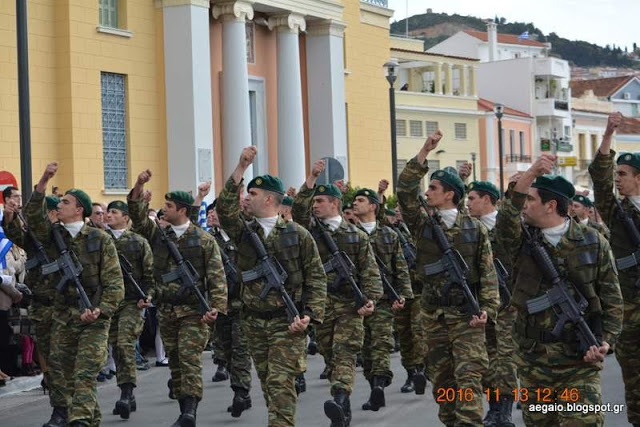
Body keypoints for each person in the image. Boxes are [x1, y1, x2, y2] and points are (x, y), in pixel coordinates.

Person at [497, 154, 623, 425]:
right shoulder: (520, 240)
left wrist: (604, 342)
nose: (525, 206)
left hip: (580, 362)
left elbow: (613, 300)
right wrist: (530, 173)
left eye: (531, 199)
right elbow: (507, 218)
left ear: (550, 205)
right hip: (533, 362)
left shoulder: (592, 242)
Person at [217, 146, 326, 427]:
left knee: (280, 384)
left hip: (286, 324)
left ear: (268, 199)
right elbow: (225, 209)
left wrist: (309, 316)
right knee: (268, 383)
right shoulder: (244, 232)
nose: (246, 198)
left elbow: (316, 277)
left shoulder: (297, 234)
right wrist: (240, 167)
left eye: (252, 194)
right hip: (253, 322)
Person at [397, 131, 499, 426]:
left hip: (467, 319)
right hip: (434, 318)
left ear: (449, 194)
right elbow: (405, 191)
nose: (427, 192)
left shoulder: (475, 229)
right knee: (443, 386)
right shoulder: (421, 224)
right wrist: (424, 152)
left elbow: (489, 275)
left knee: (468, 382)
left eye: (433, 188)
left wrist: (487, 311)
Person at [24, 162, 125, 427]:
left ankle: (78, 421)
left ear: (79, 208)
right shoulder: (52, 235)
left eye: (65, 202)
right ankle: (89, 420)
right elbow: (33, 216)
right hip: (63, 316)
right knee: (62, 374)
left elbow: (115, 283)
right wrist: (44, 181)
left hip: (93, 317)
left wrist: (100, 310)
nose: (59, 205)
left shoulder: (99, 239)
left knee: (84, 373)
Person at [128, 169, 227, 427]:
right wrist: (139, 185)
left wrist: (215, 307)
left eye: (168, 206)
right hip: (167, 310)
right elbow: (138, 218)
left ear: (182, 210)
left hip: (194, 311)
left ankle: (189, 412)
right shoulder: (159, 235)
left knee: (189, 359)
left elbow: (217, 277)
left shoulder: (204, 240)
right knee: (176, 364)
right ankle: (184, 406)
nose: (164, 209)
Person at [292, 159, 382, 427]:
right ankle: (344, 409)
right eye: (314, 201)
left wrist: (371, 300)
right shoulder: (310, 231)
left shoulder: (355, 236)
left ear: (334, 203)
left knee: (345, 354)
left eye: (320, 201)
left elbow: (370, 272)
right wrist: (311, 179)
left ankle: (340, 399)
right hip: (321, 306)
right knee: (331, 356)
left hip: (348, 306)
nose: (315, 205)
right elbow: (298, 210)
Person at [589, 112, 640, 426]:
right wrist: (608, 133)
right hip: (631, 309)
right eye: (616, 172)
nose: (617, 178)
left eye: (623, 173)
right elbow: (599, 179)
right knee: (633, 378)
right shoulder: (616, 212)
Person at [352, 188, 413, 411]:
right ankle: (374, 384)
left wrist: (403, 294)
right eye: (354, 200)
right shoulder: (348, 233)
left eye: (360, 200)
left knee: (380, 343)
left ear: (373, 207)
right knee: (366, 349)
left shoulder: (389, 235)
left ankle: (378, 386)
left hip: (384, 301)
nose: (354, 204)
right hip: (355, 302)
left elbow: (400, 267)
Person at [466, 180, 518, 426]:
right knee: (486, 357)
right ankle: (495, 406)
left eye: (472, 198)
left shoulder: (504, 227)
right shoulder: (470, 230)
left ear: (486, 199)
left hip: (508, 303)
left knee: (505, 357)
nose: (468, 203)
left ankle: (505, 410)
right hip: (480, 303)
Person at [201, 192, 253, 417]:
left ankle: (240, 392)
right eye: (212, 211)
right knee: (227, 350)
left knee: (240, 349)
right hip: (219, 304)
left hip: (241, 303)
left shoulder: (242, 237)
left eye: (217, 211)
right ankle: (242, 390)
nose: (213, 214)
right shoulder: (208, 239)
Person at [104, 201, 154, 420]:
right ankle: (127, 393)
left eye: (113, 212)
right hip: (107, 302)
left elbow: (150, 273)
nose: (108, 216)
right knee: (115, 346)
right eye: (107, 212)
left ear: (125, 217)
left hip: (132, 302)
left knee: (124, 343)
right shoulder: (100, 240)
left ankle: (126, 393)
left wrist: (148, 295)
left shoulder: (138, 241)